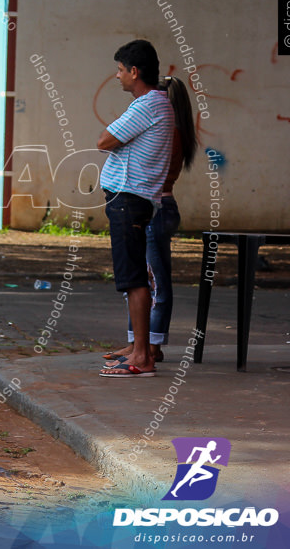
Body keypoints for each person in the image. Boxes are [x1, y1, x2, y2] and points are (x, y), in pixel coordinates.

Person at [104, 76, 199, 366]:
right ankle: (138, 342)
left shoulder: (167, 132)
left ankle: (152, 345)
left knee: (154, 282)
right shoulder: (167, 129)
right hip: (154, 208)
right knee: (139, 278)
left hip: (156, 209)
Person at [97, 39, 174, 378]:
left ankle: (142, 357)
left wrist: (117, 136)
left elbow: (104, 141)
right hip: (132, 200)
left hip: (130, 201)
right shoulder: (155, 105)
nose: (117, 77)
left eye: (119, 70)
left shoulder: (147, 105)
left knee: (134, 280)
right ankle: (139, 347)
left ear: (134, 71)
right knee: (134, 278)